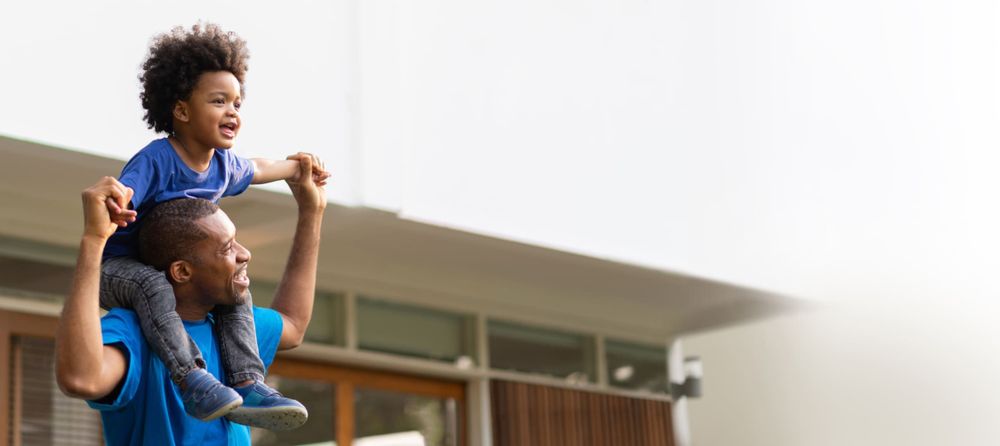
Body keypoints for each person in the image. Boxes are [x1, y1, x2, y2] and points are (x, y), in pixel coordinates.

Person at [96, 22, 330, 429]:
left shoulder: (222, 165)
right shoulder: (158, 159)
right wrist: (116, 204)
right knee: (153, 287)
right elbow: (127, 190)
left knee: (236, 288)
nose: (232, 112)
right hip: (121, 268)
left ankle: (247, 381)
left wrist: (298, 167)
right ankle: (191, 380)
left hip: (166, 270)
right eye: (219, 101)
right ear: (182, 110)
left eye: (237, 103)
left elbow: (257, 167)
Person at [55, 154, 326, 444]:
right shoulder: (132, 330)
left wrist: (312, 212)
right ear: (182, 271)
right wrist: (93, 241)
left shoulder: (233, 330)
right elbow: (80, 379)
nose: (245, 254)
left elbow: (293, 325)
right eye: (227, 248)